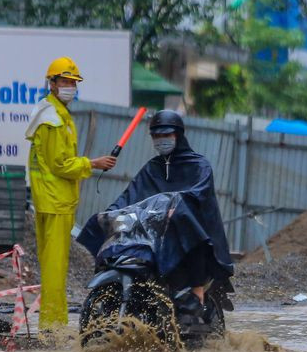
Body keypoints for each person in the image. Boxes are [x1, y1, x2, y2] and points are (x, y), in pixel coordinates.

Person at [77, 109, 233, 316]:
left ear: (178, 135)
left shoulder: (199, 165)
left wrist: (176, 205)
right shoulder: (152, 168)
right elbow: (130, 195)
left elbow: (198, 193)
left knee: (186, 220)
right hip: (155, 231)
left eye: (166, 135)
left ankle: (197, 293)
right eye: (156, 136)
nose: (161, 140)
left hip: (190, 228)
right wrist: (112, 213)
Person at [24, 57, 116, 329]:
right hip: (55, 201)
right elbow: (60, 164)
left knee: (55, 269)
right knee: (54, 272)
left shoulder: (55, 112)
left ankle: (54, 326)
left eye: (73, 82)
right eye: (64, 81)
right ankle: (52, 330)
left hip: (52, 200)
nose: (70, 86)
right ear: (51, 84)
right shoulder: (52, 119)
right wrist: (93, 163)